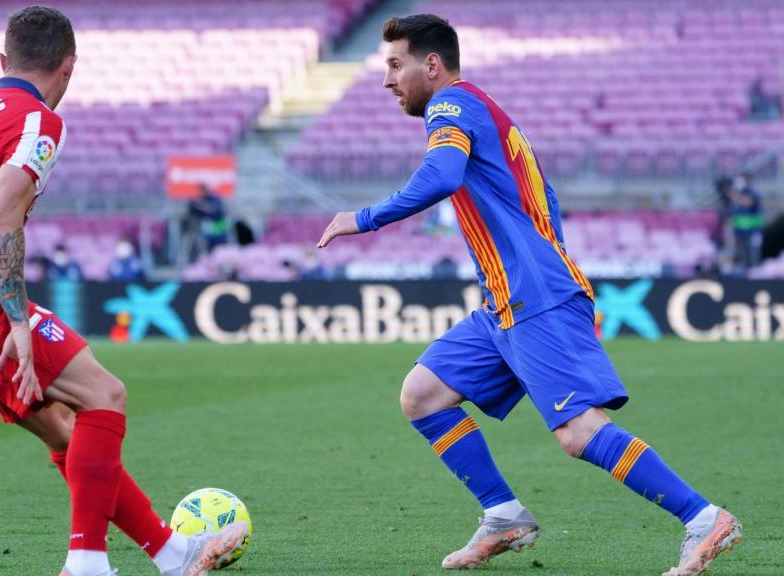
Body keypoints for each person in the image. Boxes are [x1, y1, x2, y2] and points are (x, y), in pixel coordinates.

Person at [317, 15, 740, 576]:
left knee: (578, 432)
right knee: (422, 395)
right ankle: (503, 515)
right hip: (506, 301)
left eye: (396, 65)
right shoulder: (484, 110)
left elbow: (442, 175)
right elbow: (546, 199)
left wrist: (361, 218)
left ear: (433, 65)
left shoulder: (450, 106)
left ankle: (703, 518)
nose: (387, 80)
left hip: (534, 297)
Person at [0, 6, 245, 576]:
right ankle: (87, 564)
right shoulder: (39, 120)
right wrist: (17, 319)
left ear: (3, 61)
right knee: (105, 395)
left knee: (66, 428)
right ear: (70, 67)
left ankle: (171, 553)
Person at [729, 172, 763, 273]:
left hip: (753, 233)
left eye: (740, 179)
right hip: (740, 232)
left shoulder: (752, 193)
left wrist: (735, 196)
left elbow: (748, 203)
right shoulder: (738, 194)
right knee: (742, 258)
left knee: (753, 258)